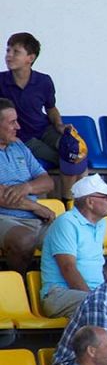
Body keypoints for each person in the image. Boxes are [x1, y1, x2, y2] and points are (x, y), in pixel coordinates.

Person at [0, 32, 88, 198]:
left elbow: (51, 108)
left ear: (30, 58)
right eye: (8, 50)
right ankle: (67, 201)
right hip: (23, 137)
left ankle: (78, 201)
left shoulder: (44, 81)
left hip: (44, 129)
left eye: (16, 52)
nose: (9, 55)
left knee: (75, 149)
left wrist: (59, 125)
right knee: (68, 158)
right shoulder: (1, 80)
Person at [40, 174, 107, 318]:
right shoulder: (66, 222)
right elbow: (68, 268)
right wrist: (94, 297)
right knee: (100, 305)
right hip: (60, 294)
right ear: (90, 202)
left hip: (93, 292)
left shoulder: (100, 223)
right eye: (105, 197)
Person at [0, 97, 55, 270]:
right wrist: (35, 207)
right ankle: (19, 284)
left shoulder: (19, 146)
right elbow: (2, 196)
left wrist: (27, 187)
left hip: (35, 219)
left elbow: (47, 181)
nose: (18, 127)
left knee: (70, 237)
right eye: (12, 122)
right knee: (24, 240)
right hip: (4, 217)